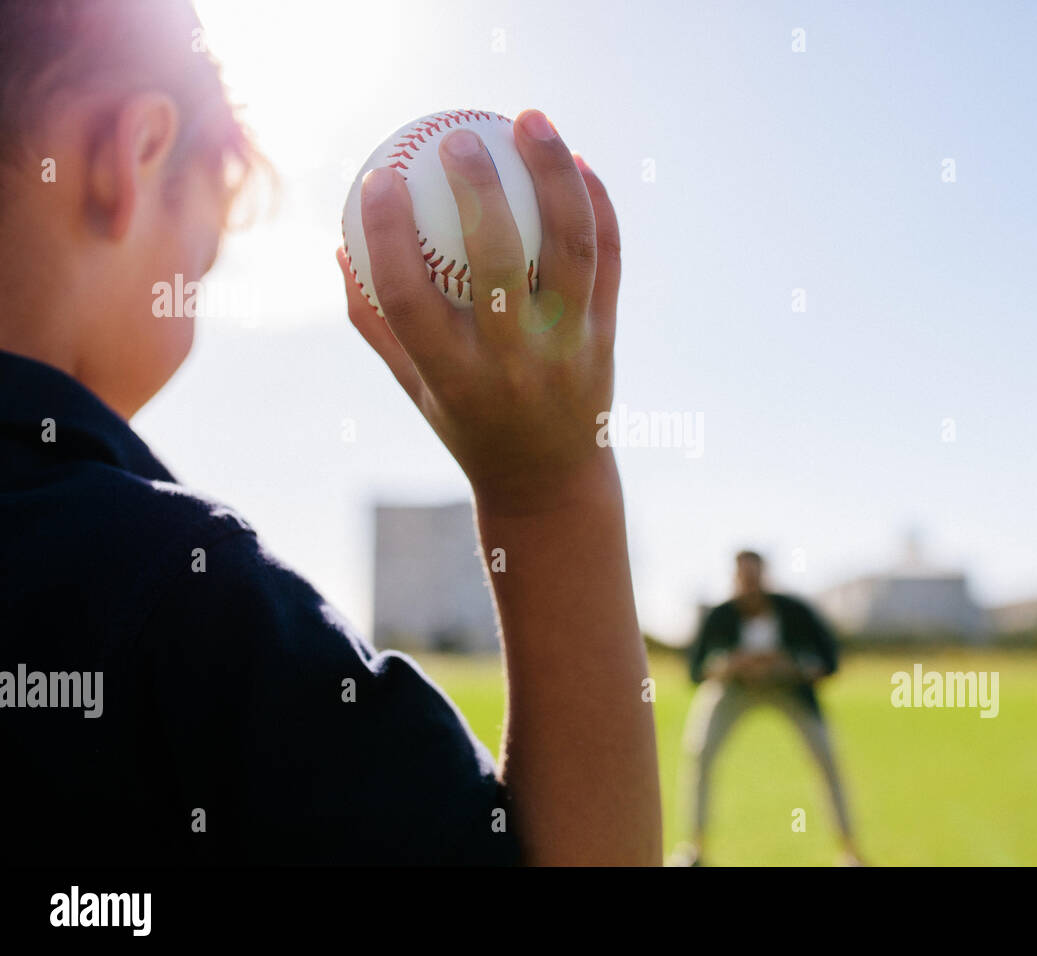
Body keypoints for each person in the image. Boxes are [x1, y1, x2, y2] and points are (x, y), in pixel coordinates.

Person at [0, 0, 659, 865]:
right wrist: (549, 493)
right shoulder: (183, 602)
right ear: (134, 156)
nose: (199, 279)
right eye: (204, 253)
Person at [674, 551, 864, 866]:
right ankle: (694, 849)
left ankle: (850, 852)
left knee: (826, 758)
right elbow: (695, 670)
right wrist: (730, 664)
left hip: (788, 690)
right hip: (733, 690)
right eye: (743, 578)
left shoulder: (795, 611)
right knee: (700, 753)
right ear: (735, 579)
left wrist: (789, 664)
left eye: (755, 577)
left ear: (766, 576)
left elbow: (829, 663)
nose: (750, 585)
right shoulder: (721, 615)